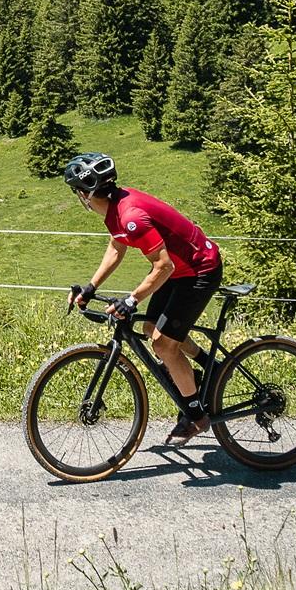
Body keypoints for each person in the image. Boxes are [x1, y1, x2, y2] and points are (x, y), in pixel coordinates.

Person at [62, 152, 223, 444]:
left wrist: (132, 299)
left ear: (85, 194)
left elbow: (164, 266)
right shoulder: (115, 208)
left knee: (163, 343)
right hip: (179, 271)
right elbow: (116, 247)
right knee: (151, 329)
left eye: (77, 192)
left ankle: (196, 415)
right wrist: (91, 286)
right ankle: (207, 367)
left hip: (200, 269)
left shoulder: (131, 216)